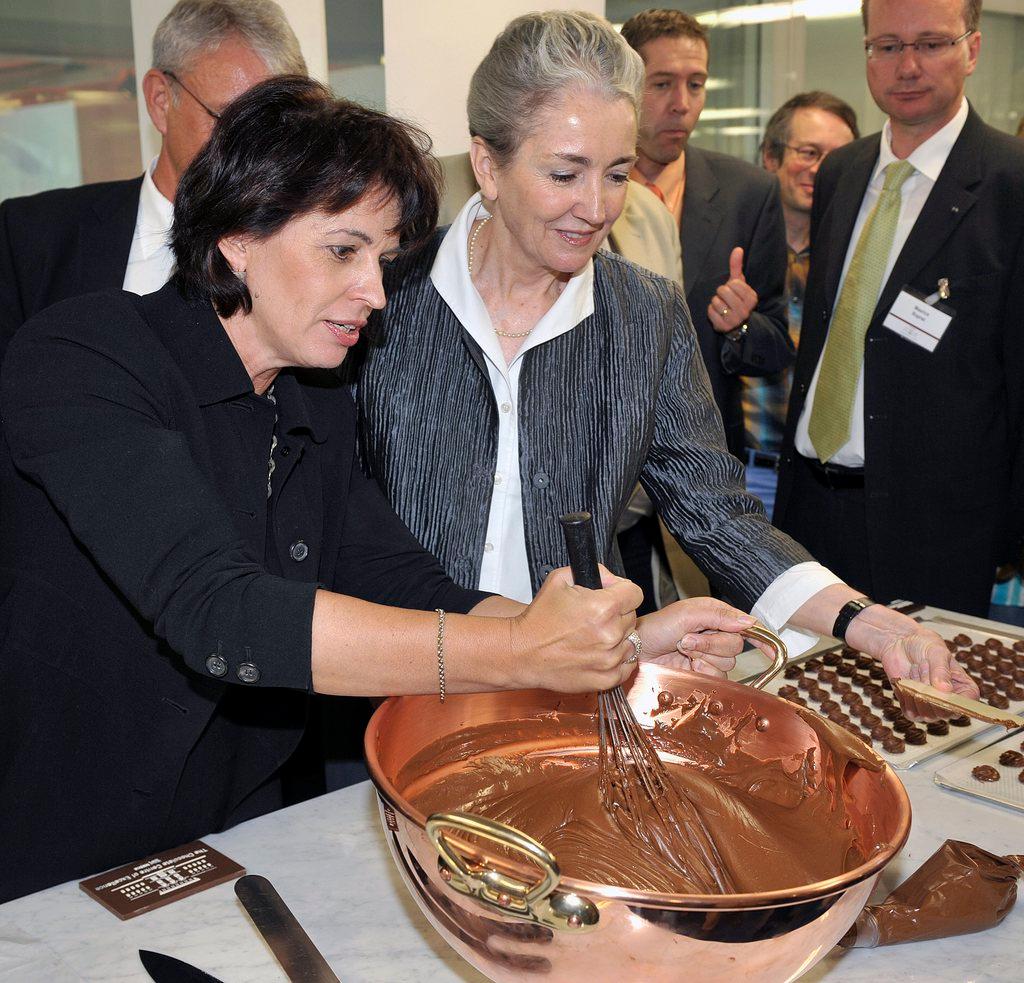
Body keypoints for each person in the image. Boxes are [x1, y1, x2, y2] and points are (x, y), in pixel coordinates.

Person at [0, 76, 759, 903]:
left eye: (384, 259)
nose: (373, 289)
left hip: (232, 826)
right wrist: (518, 652)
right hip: (58, 831)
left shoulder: (310, 396)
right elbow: (222, 612)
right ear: (237, 238)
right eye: (342, 251)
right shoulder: (87, 357)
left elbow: (405, 581)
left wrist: (610, 646)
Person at [354, 11, 976, 731]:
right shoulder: (382, 299)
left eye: (616, 174)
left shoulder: (642, 316)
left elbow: (716, 511)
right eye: (565, 173)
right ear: (488, 165)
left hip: (569, 709)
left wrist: (867, 622)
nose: (595, 209)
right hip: (385, 697)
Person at [774, 0, 1024, 617]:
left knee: (917, 710)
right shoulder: (842, 170)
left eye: (931, 44)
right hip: (807, 507)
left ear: (972, 48)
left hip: (936, 531)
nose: (907, 66)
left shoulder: (1010, 185)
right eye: (886, 46)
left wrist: (1009, 532)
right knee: (794, 701)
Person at [0, 0, 306, 360]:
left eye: (277, 125)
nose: (258, 147)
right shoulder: (31, 237)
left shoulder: (304, 251)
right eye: (232, 121)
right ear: (161, 100)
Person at [615, 8, 792, 461]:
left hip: (703, 454)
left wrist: (741, 325)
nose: (682, 103)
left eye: (696, 84)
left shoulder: (748, 193)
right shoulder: (583, 189)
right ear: (625, 83)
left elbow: (775, 347)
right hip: (600, 450)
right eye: (661, 83)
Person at [744, 92, 859, 516]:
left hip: (827, 483)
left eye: (837, 156)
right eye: (809, 152)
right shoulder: (730, 253)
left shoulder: (856, 265)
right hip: (742, 476)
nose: (822, 169)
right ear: (770, 157)